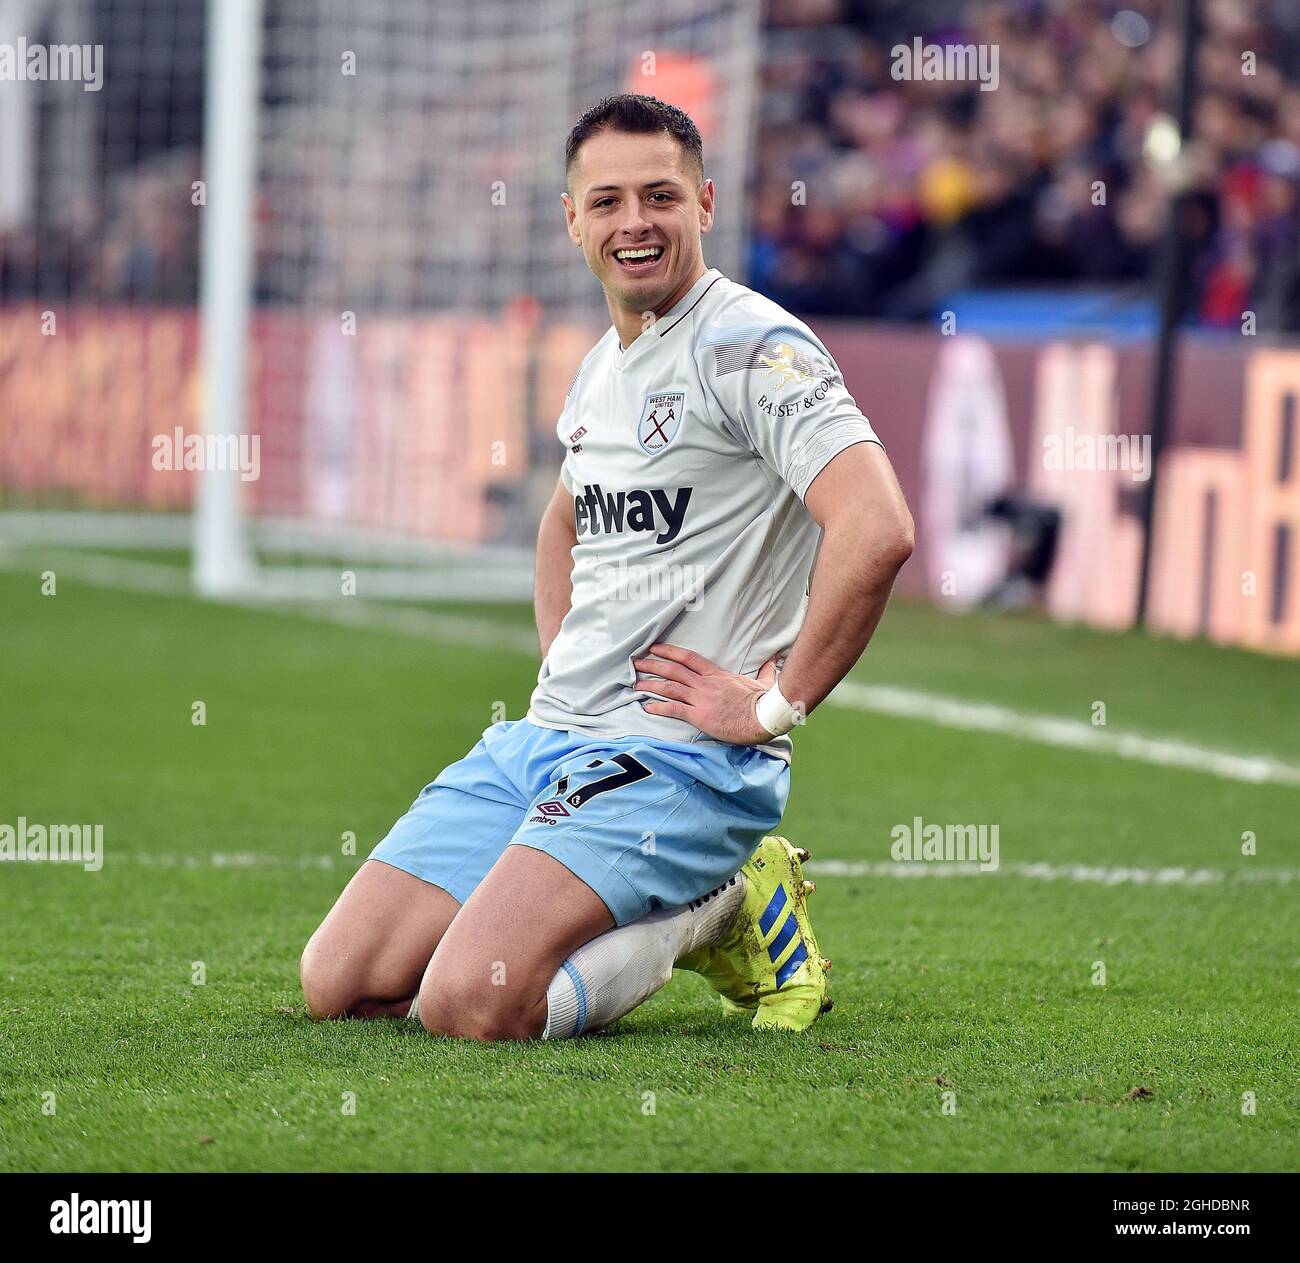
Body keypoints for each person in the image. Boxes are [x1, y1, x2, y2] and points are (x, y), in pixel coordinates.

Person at [300, 94, 914, 1040]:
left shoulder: (752, 347)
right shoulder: (602, 365)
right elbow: (563, 523)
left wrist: (773, 706)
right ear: (572, 220)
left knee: (471, 1003)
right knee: (343, 983)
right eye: (609, 201)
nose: (635, 223)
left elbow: (875, 527)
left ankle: (720, 906)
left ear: (706, 203)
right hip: (548, 740)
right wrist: (566, 666)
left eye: (660, 196)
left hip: (681, 760)